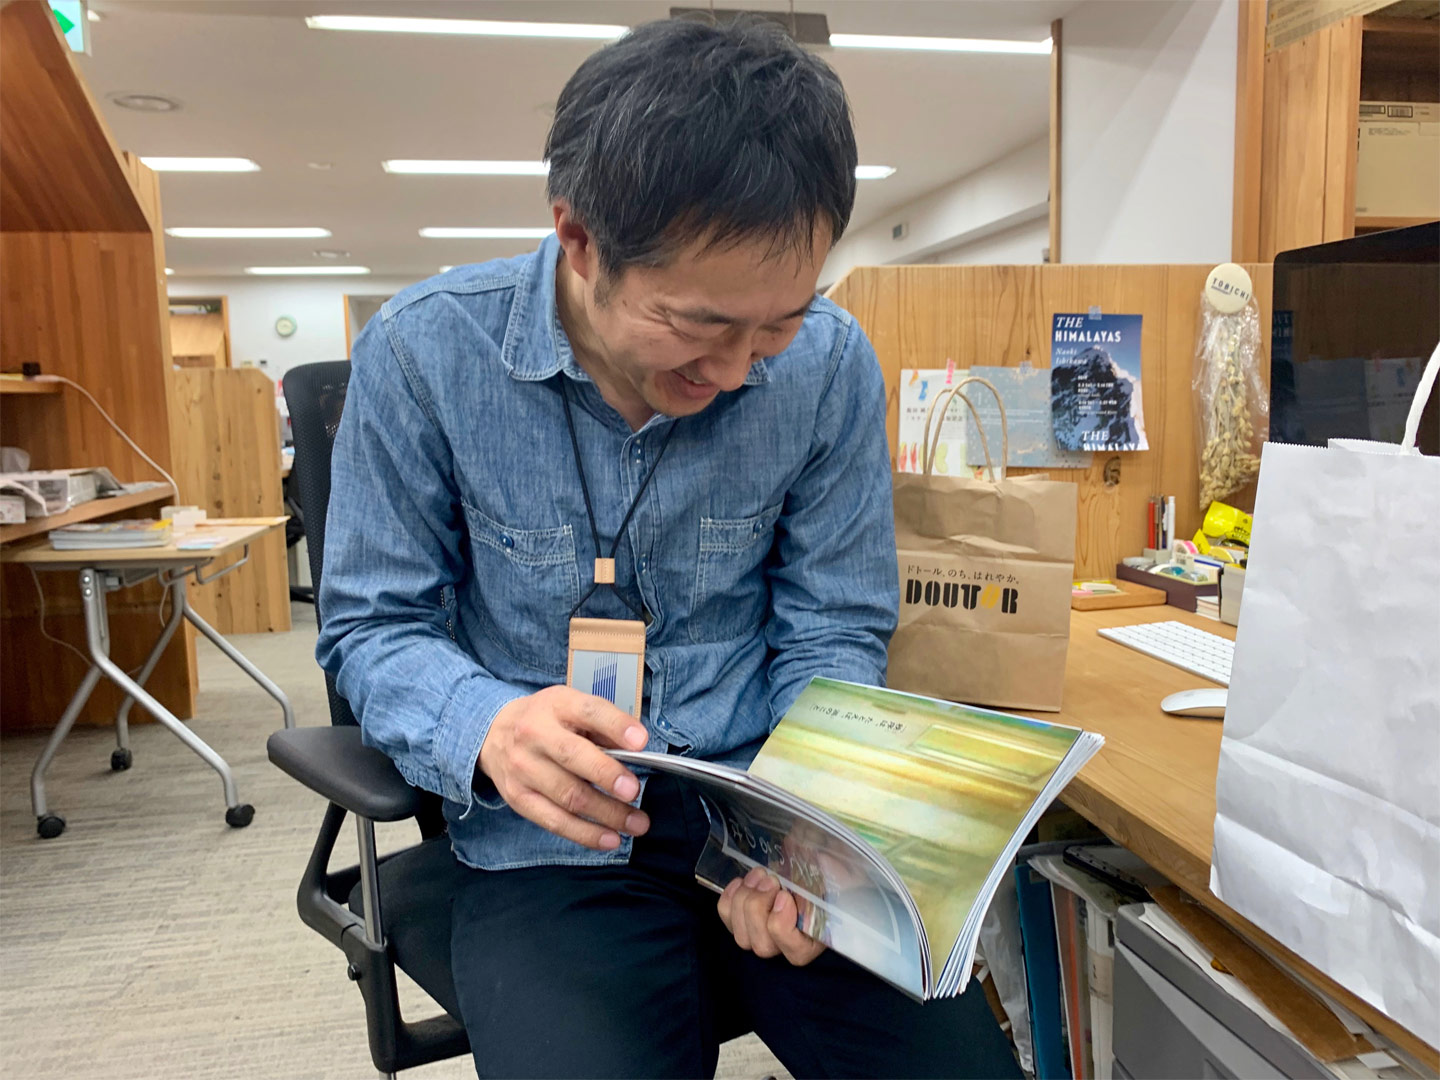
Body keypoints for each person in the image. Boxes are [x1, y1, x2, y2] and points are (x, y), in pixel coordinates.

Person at [318, 16, 1019, 1080]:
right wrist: (488, 725)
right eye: (698, 324)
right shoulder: (424, 355)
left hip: (763, 809)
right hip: (552, 837)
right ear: (579, 239)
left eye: (778, 323)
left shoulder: (828, 366)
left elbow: (832, 624)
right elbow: (375, 627)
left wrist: (813, 835)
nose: (737, 371)